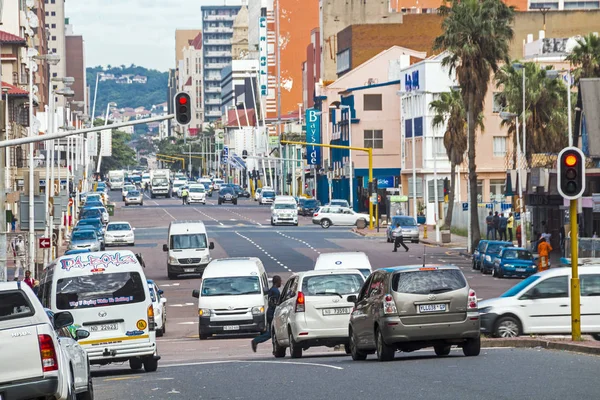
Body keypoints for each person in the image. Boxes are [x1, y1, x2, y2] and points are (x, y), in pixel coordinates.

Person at [251, 275, 282, 352]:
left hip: (270, 312)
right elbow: (275, 303)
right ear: (277, 282)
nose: (281, 283)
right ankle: (256, 340)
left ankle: (275, 349)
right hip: (272, 313)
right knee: (270, 333)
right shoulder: (276, 291)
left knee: (272, 332)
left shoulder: (272, 290)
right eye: (280, 281)